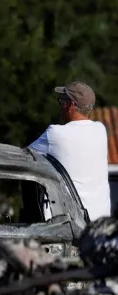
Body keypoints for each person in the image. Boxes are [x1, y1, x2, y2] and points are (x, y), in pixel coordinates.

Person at [28, 81, 112, 222]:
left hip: (69, 227)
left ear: (71, 106)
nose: (61, 106)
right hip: (100, 225)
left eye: (62, 101)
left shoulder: (55, 134)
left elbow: (25, 157)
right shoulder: (100, 130)